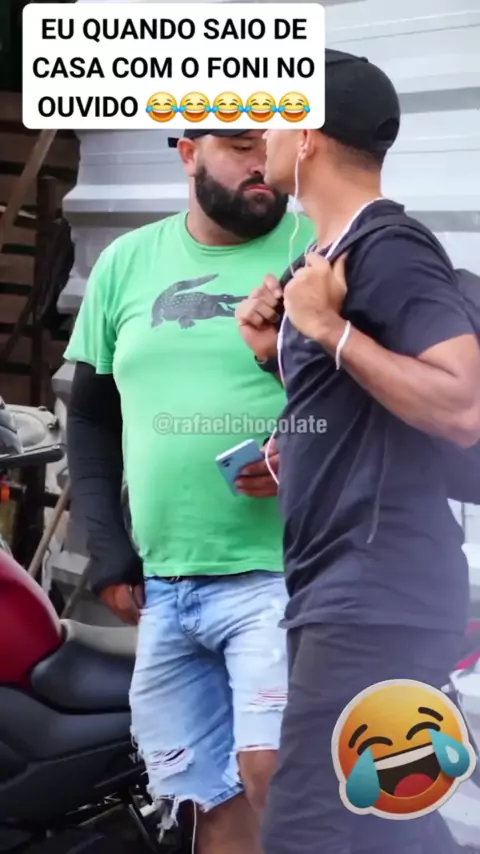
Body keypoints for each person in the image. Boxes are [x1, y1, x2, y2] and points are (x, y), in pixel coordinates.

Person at [236, 49, 480, 854]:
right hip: (345, 587)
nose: (264, 137)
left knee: (305, 829)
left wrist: (326, 329)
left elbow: (462, 403)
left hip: (376, 595)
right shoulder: (325, 257)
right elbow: (362, 409)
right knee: (386, 826)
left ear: (308, 134)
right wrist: (278, 356)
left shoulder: (389, 248)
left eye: (276, 120)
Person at [63, 127, 314, 854]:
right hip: (169, 586)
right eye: (238, 145)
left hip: (284, 575)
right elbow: (90, 415)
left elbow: (378, 402)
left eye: (269, 143)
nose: (260, 162)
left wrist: (302, 452)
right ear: (187, 153)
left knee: (277, 781)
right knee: (208, 800)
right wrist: (108, 547)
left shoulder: (320, 253)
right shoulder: (127, 261)